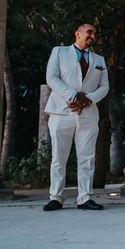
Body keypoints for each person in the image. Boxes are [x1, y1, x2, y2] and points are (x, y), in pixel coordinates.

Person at [43, 23, 109, 211]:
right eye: (89, 32)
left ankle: (85, 198)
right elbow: (52, 78)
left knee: (87, 157)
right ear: (77, 34)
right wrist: (73, 96)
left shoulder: (99, 60)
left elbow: (104, 87)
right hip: (62, 111)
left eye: (94, 34)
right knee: (58, 157)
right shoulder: (59, 52)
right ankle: (56, 197)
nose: (92, 36)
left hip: (88, 113)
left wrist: (87, 100)